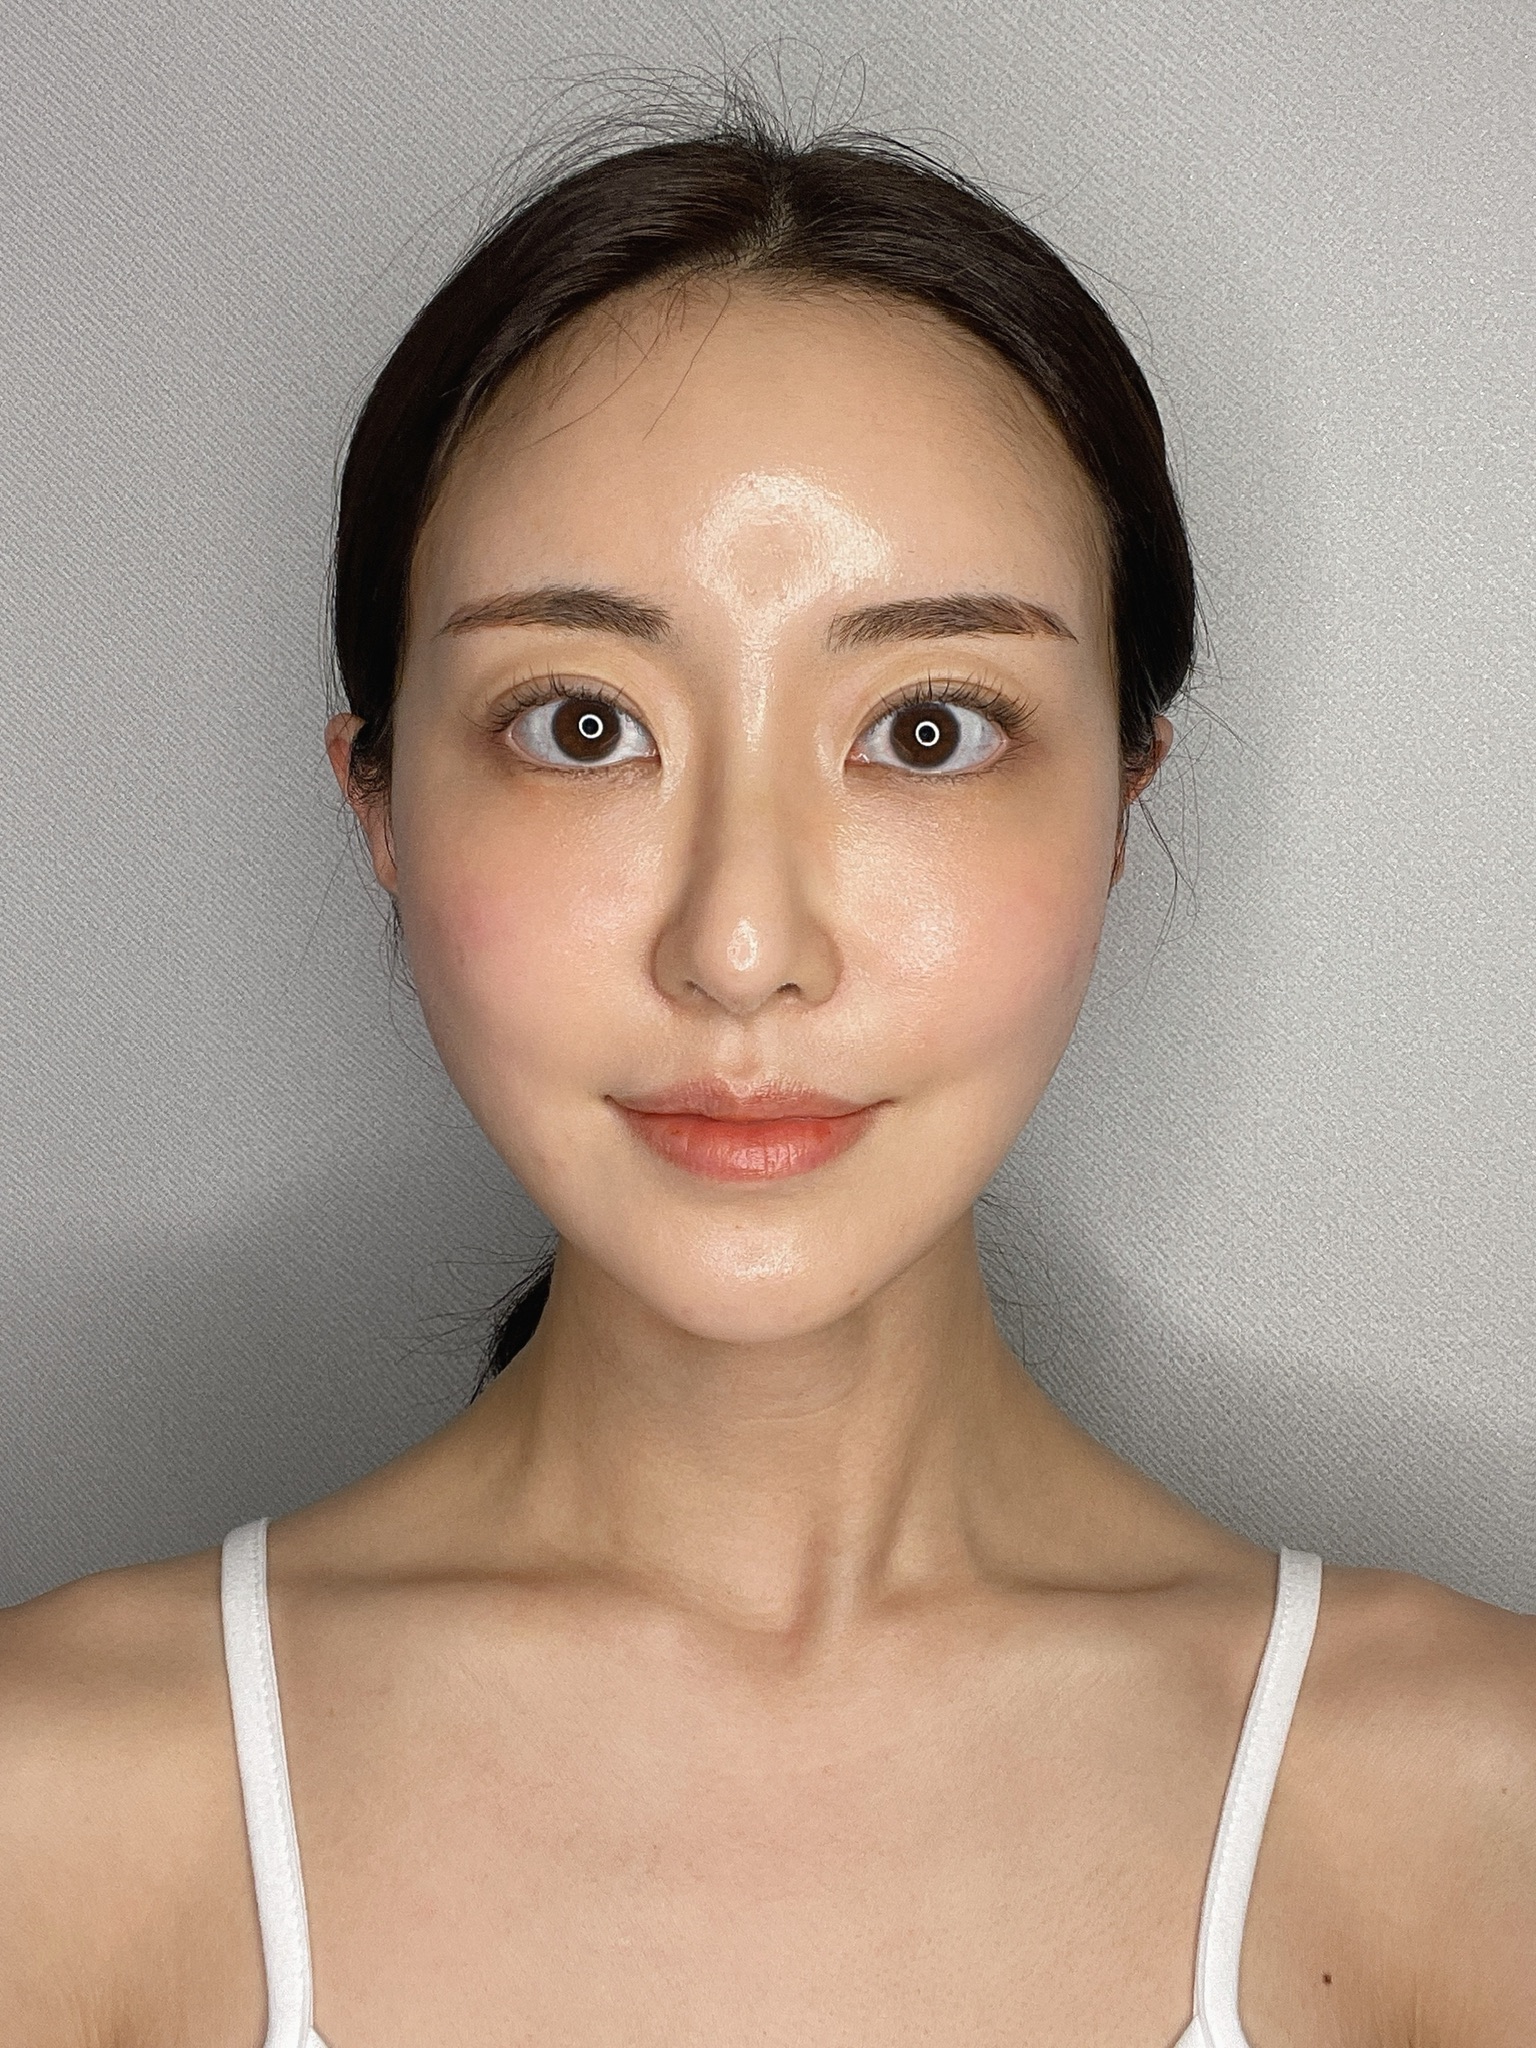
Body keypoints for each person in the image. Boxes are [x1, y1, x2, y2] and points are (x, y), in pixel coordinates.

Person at [1, 104, 1531, 2048]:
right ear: (377, 797)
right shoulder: (49, 1811)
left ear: (1122, 800)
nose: (739, 945)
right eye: (580, 726)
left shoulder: (1476, 1816)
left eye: (926, 727)